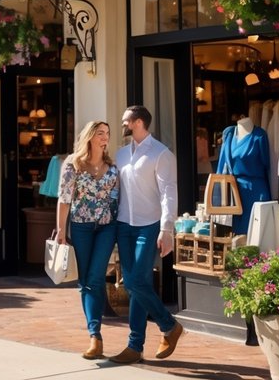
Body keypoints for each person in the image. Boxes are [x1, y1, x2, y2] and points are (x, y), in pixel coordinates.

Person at [110, 105, 183, 365]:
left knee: (136, 282)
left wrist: (167, 228)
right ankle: (135, 346)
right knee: (134, 284)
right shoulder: (119, 154)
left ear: (138, 122)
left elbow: (168, 193)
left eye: (125, 120)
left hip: (149, 225)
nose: (121, 124)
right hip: (123, 225)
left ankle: (169, 326)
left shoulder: (161, 154)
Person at [55, 120, 119, 360]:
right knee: (85, 281)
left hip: (106, 228)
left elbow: (117, 201)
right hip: (80, 227)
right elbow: (64, 199)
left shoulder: (112, 168)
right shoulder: (73, 164)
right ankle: (95, 336)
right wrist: (61, 230)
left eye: (108, 134)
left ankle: (95, 336)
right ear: (90, 137)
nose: (105, 138)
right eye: (100, 133)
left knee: (95, 278)